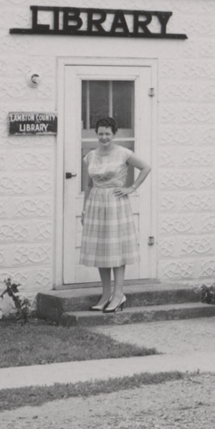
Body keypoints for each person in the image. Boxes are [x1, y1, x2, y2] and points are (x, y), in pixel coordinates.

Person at [80, 115, 150, 312]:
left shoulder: (123, 153)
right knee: (102, 251)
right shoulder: (91, 156)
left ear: (114, 134)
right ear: (96, 134)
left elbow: (146, 167)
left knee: (116, 250)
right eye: (100, 134)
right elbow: (88, 185)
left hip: (116, 204)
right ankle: (105, 294)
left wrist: (132, 188)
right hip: (95, 204)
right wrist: (84, 209)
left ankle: (119, 295)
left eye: (107, 134)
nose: (104, 137)